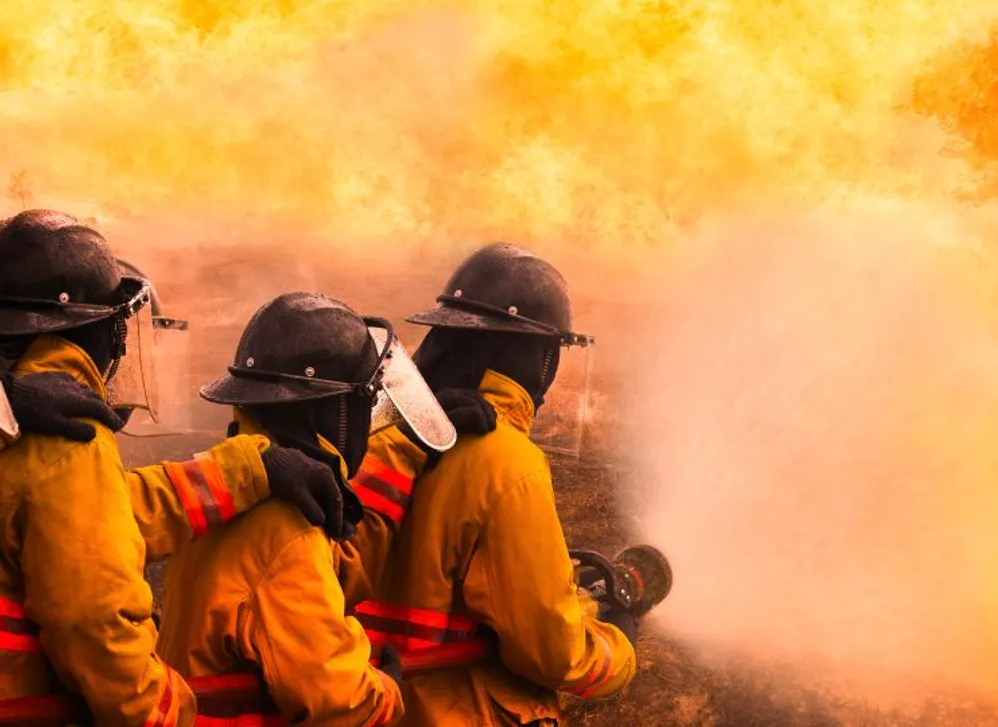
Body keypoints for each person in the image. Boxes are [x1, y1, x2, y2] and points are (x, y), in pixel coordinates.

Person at [0, 211, 345, 722]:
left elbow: (102, 516)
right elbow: (95, 620)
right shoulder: (68, 431)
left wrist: (254, 468)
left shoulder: (19, 415)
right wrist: (168, 710)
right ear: (102, 326)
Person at [354, 242, 636, 726]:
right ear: (538, 357)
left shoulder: (378, 434)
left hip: (368, 707)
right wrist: (618, 642)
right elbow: (551, 652)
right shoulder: (508, 463)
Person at [156, 292, 454, 727]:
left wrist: (403, 448)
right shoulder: (284, 528)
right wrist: (385, 691)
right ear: (337, 412)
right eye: (365, 404)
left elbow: (312, 588)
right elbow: (336, 698)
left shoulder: (226, 491)